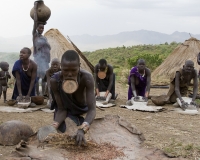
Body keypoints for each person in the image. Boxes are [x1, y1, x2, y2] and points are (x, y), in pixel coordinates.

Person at [50, 50, 96, 146]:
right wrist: (54, 127)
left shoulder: (87, 78)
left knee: (81, 129)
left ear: (79, 66)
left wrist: (83, 129)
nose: (69, 74)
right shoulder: (55, 80)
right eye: (65, 70)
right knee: (64, 129)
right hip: (66, 112)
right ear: (61, 67)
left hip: (82, 110)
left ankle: (81, 122)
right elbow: (62, 109)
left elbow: (92, 110)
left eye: (73, 70)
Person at [32, 1, 51, 96]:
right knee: (37, 78)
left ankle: (43, 94)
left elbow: (49, 47)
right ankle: (36, 94)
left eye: (42, 28)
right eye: (40, 28)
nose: (41, 29)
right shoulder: (35, 36)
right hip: (38, 61)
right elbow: (35, 22)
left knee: (44, 78)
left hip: (45, 60)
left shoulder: (44, 37)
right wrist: (35, 9)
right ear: (36, 28)